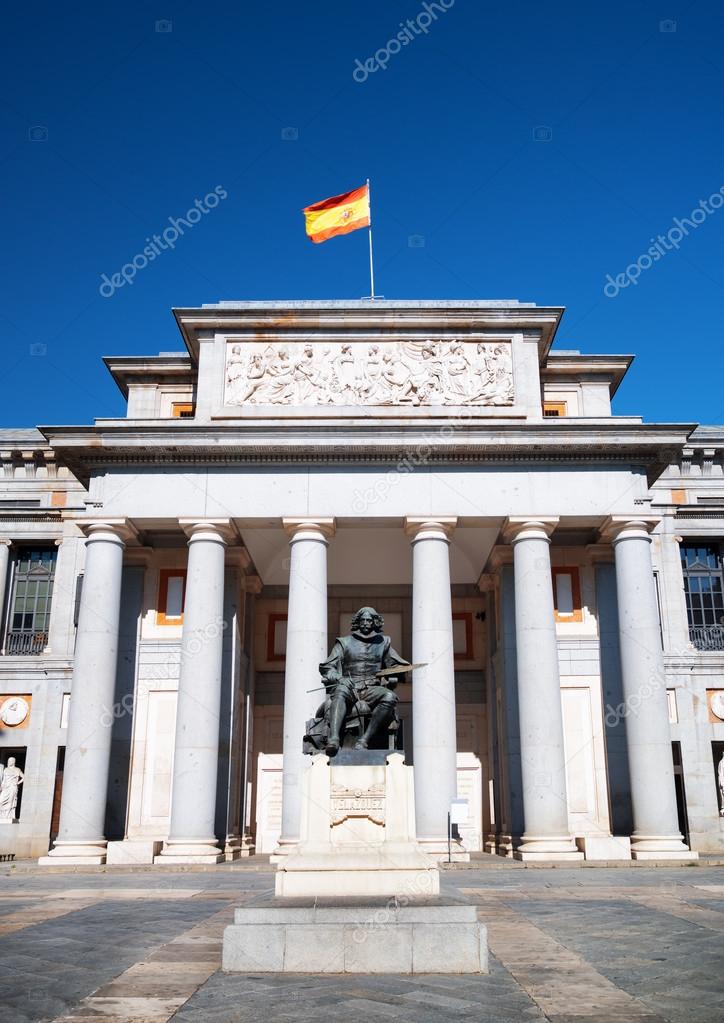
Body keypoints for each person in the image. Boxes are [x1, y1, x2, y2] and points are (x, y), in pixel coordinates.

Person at [318, 607, 410, 756]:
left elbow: (395, 665)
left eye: (369, 620)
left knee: (390, 697)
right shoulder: (344, 642)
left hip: (371, 689)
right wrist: (340, 678)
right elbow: (327, 667)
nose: (366, 623)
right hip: (349, 686)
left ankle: (364, 740)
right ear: (357, 622)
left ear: (375, 622)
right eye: (363, 620)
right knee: (340, 690)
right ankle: (333, 739)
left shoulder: (383, 642)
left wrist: (395, 673)